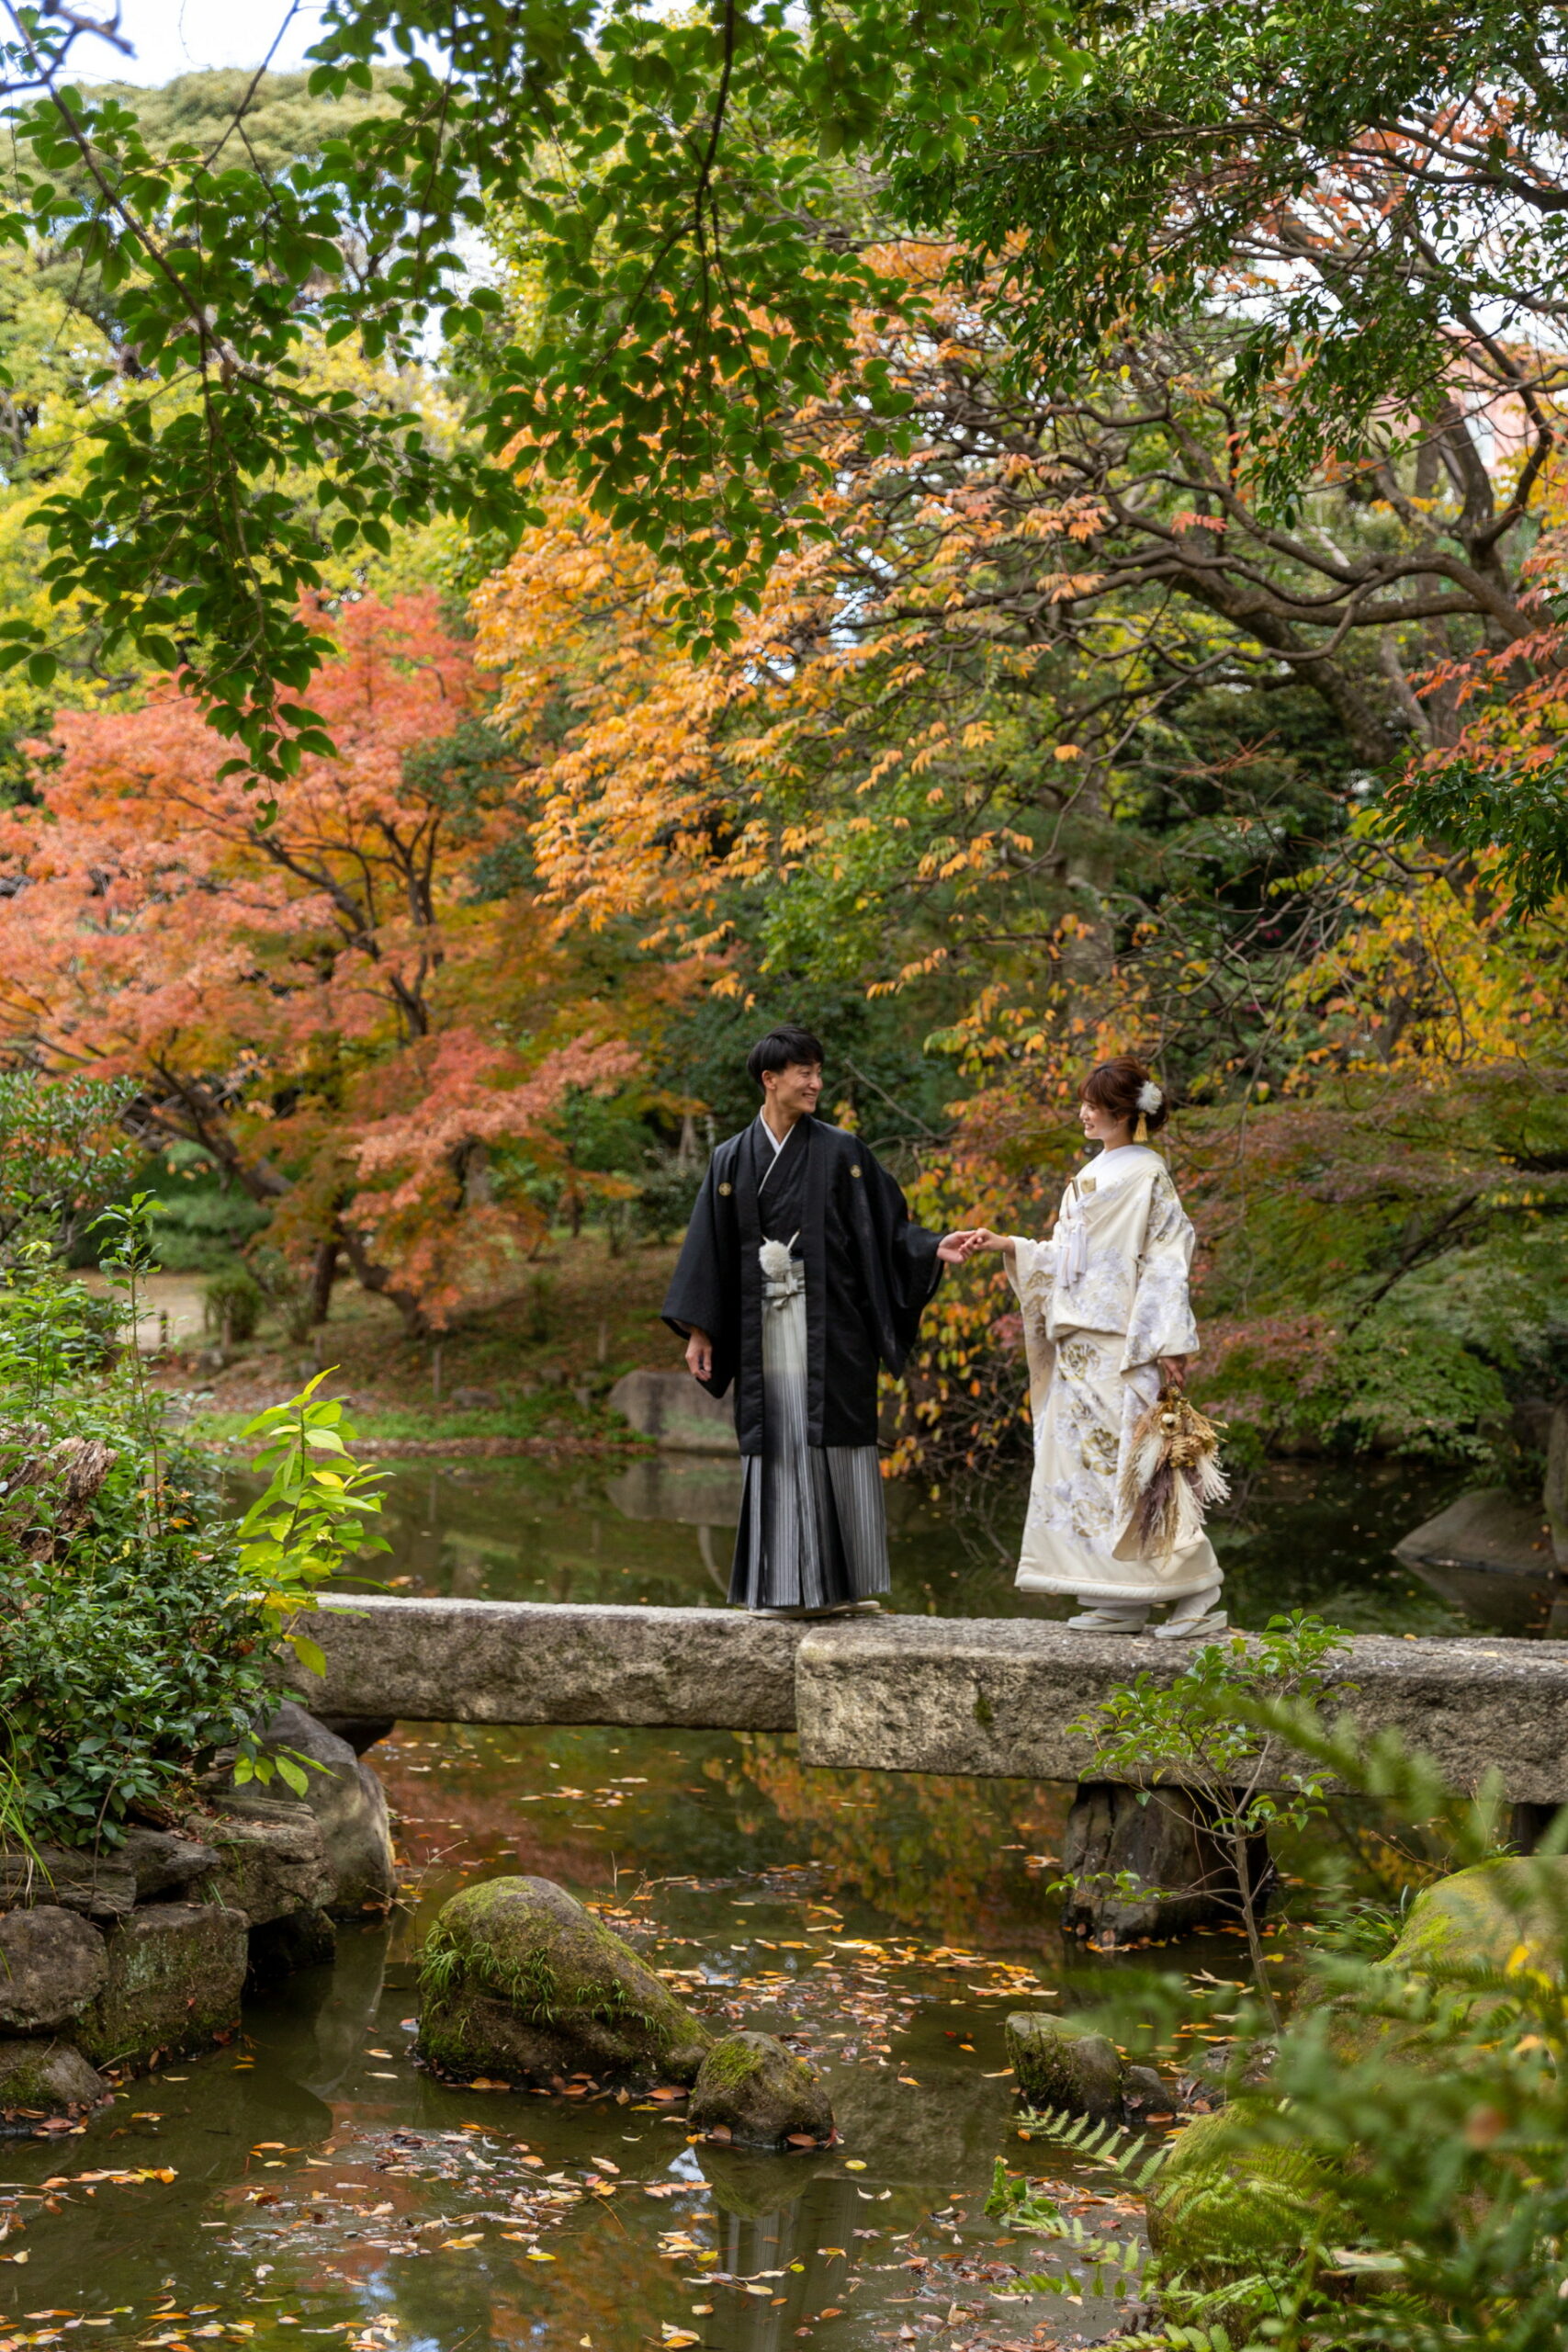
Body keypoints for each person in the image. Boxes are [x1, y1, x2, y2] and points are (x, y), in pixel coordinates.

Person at [663, 1026, 975, 1616]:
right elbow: (709, 1249)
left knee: (831, 1438)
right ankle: (781, 1587)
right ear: (770, 1079)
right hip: (763, 1327)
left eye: (818, 1071)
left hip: (833, 1327)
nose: (815, 1083)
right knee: (779, 1439)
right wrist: (701, 1329)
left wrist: (932, 1246)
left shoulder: (843, 1152)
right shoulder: (730, 1158)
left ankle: (837, 1587)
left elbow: (887, 1229)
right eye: (803, 1072)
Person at [964, 1055, 1224, 1637]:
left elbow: (1165, 1260)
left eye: (1095, 1105)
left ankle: (1200, 1591)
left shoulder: (1148, 1175)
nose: (1083, 1113)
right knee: (1088, 1471)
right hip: (1079, 1342)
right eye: (1084, 1102)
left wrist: (1167, 1343)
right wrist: (1005, 1243)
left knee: (1140, 1468)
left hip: (1122, 1342)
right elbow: (1064, 1260)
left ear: (1127, 1114)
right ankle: (1120, 1594)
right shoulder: (1087, 1177)